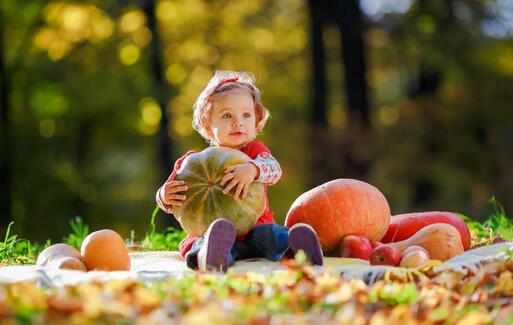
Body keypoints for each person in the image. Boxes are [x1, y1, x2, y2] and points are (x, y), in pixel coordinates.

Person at [156, 70, 323, 272]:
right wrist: (164, 196)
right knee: (197, 243)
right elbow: (174, 194)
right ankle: (212, 254)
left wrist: (253, 169)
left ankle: (297, 246)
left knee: (270, 235)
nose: (238, 122)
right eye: (227, 115)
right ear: (208, 126)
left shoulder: (255, 152)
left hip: (255, 229)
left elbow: (274, 170)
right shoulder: (192, 162)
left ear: (256, 121)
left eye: (246, 115)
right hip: (211, 231)